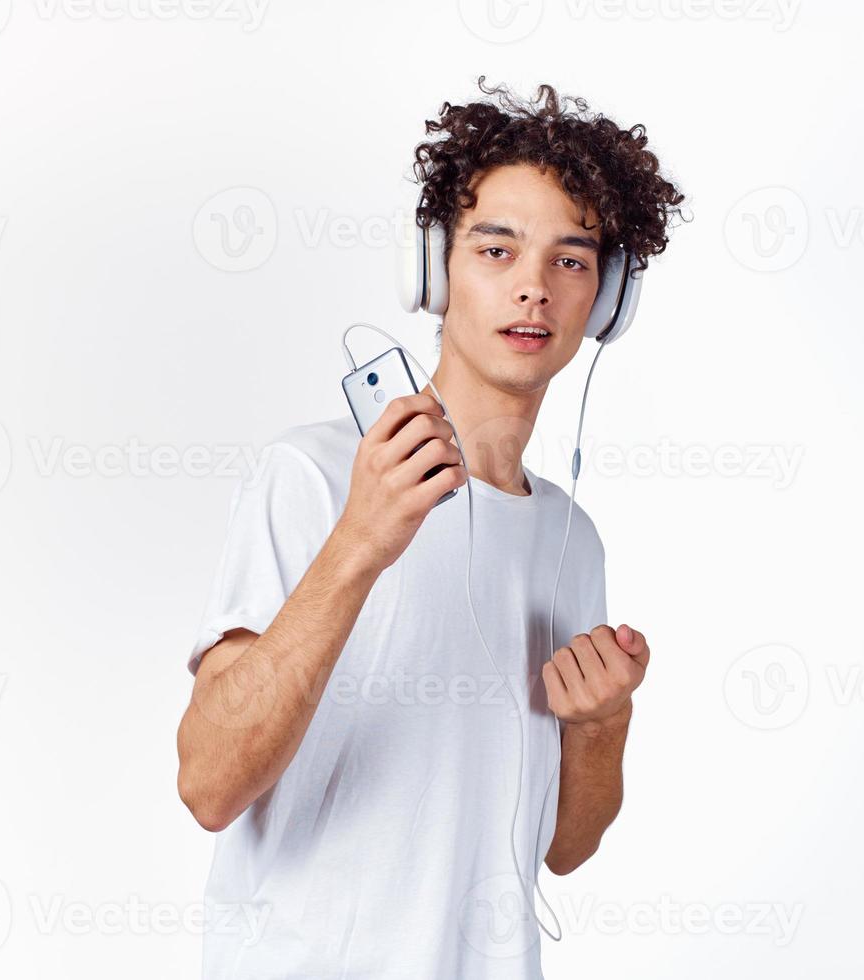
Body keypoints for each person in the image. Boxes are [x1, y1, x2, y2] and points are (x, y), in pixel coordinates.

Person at [176, 77, 687, 979]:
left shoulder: (573, 540)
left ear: (605, 301)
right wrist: (360, 543)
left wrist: (603, 723)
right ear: (436, 270)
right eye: (497, 249)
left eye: (571, 260)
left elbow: (562, 848)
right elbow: (209, 784)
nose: (534, 287)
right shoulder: (315, 475)